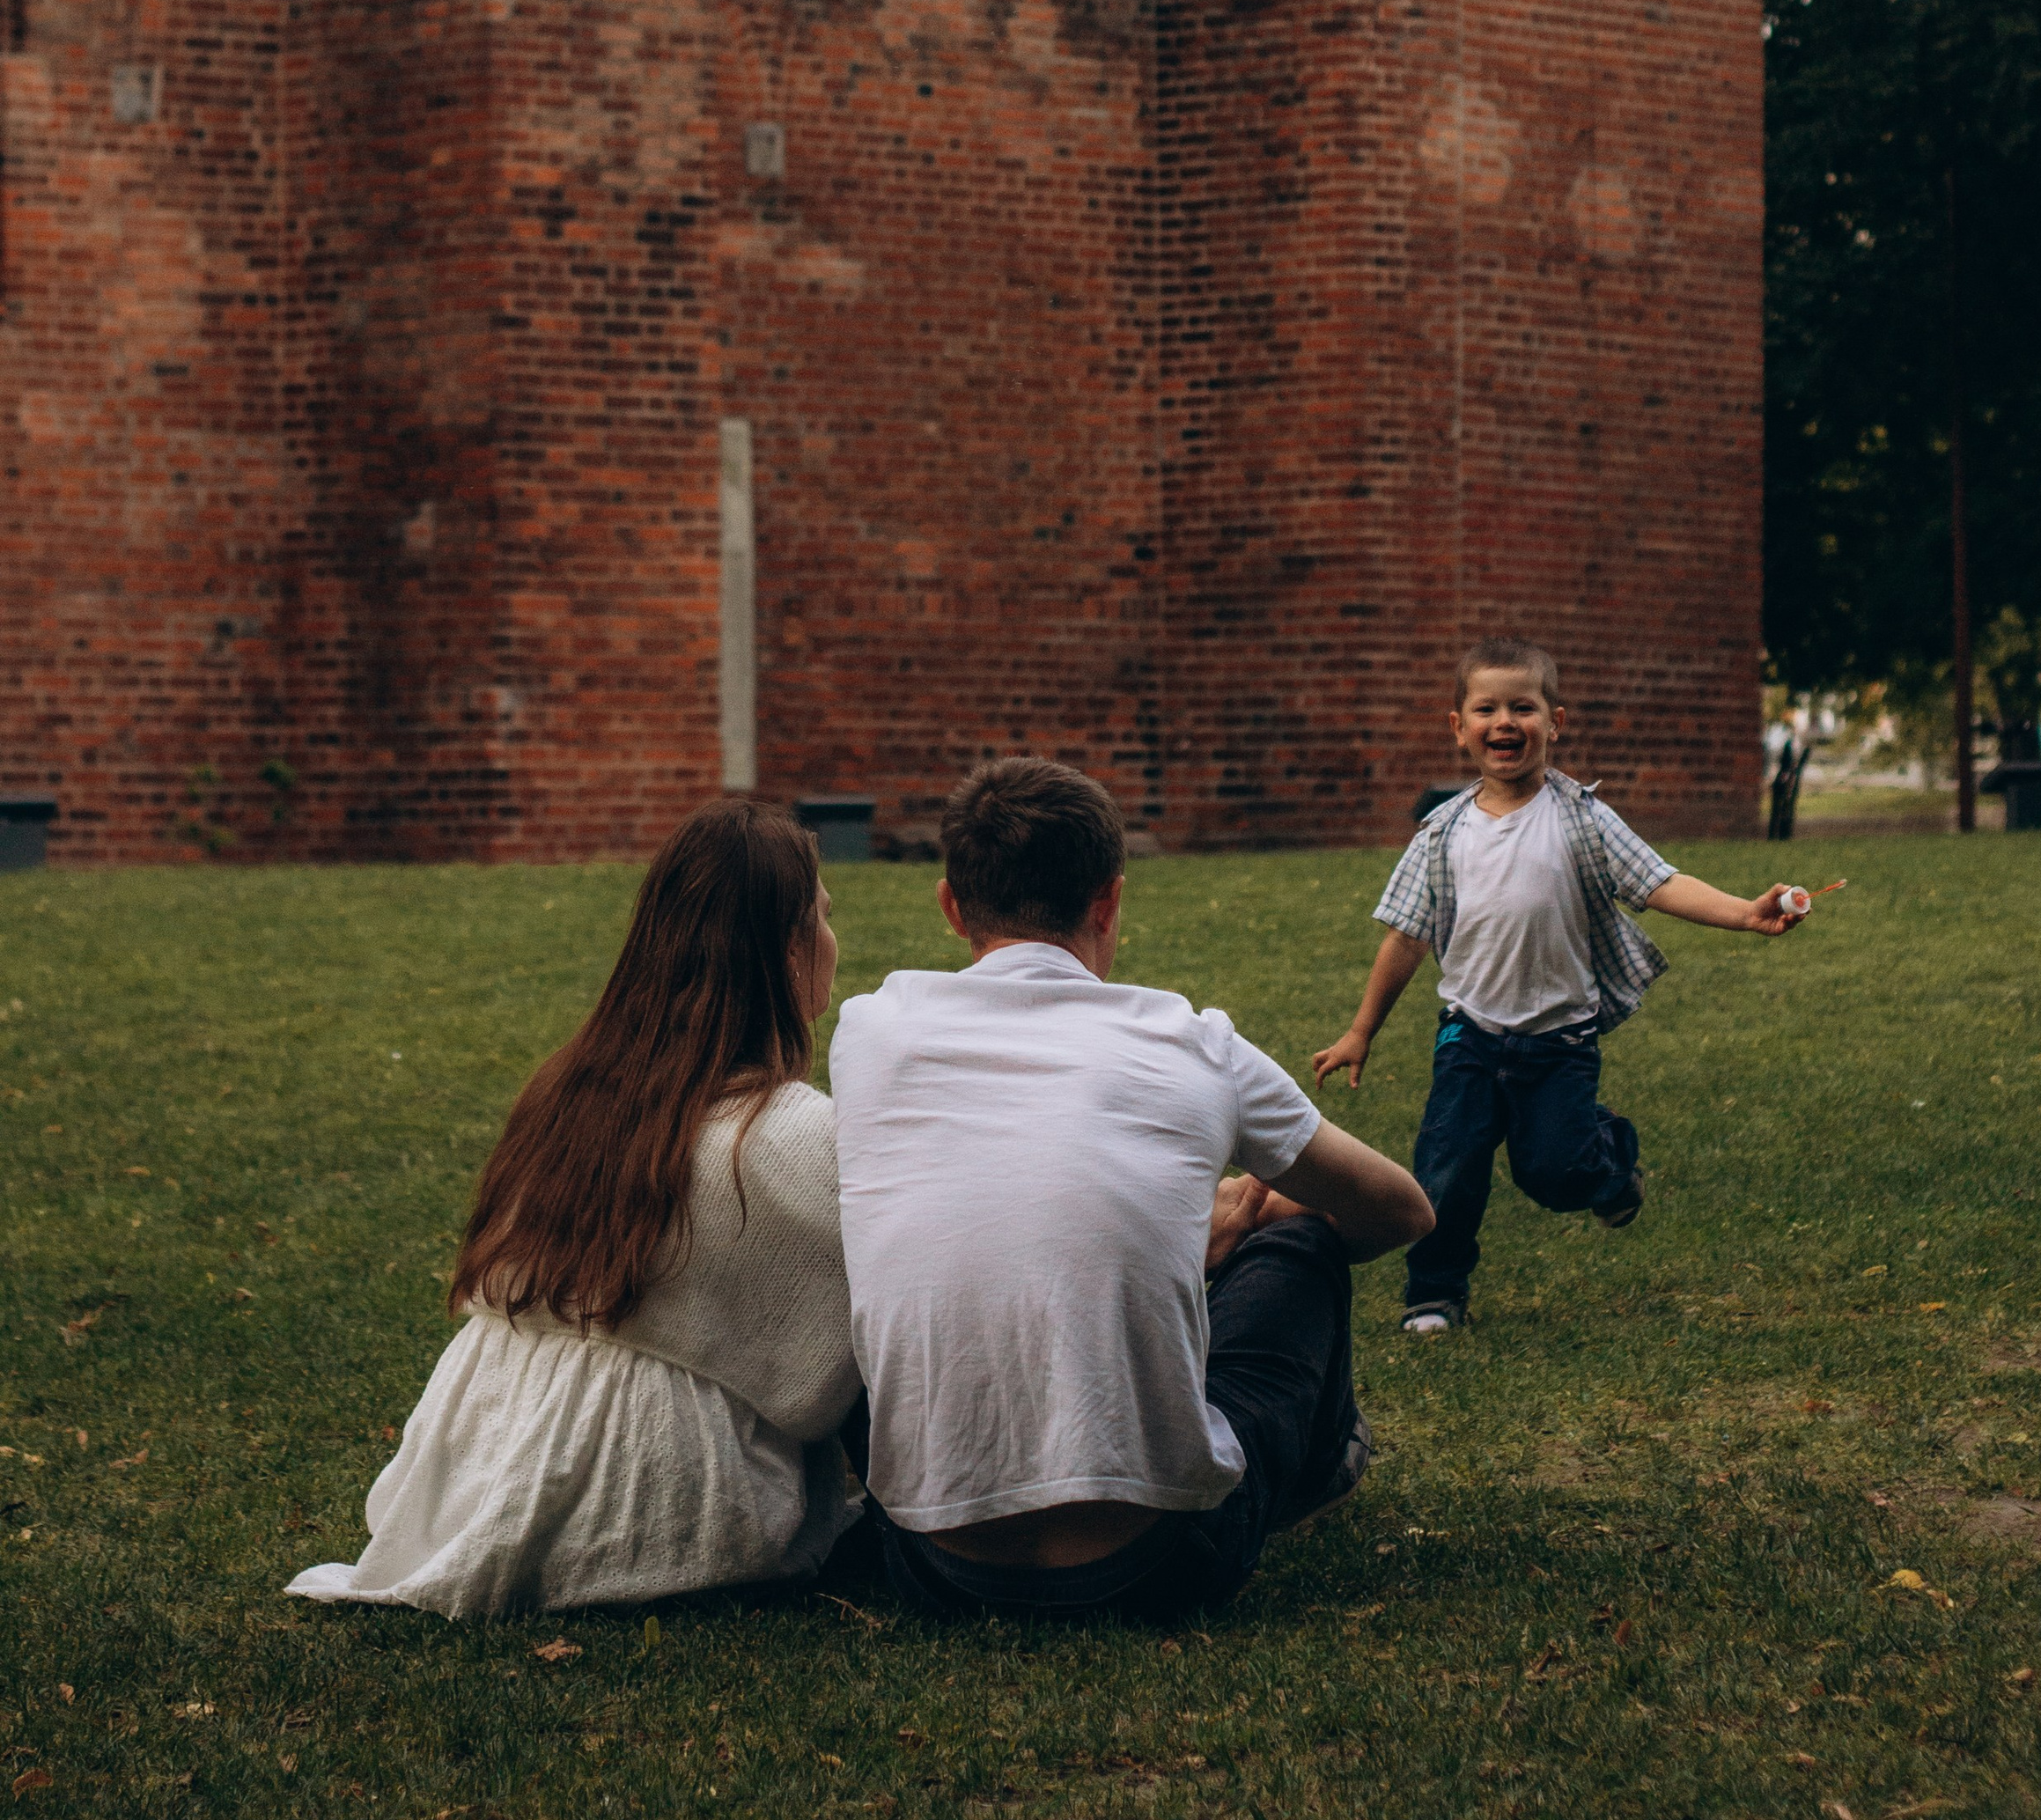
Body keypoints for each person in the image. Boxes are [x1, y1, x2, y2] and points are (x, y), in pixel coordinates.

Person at [829, 755, 1431, 1623]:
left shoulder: (870, 1033)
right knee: (1300, 1242)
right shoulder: (1192, 1044)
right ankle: (1320, 1461)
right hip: (1164, 1565)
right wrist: (1257, 1210)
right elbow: (1401, 1210)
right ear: (1109, 900)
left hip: (930, 1564)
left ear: (951, 906)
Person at [288, 802, 861, 1615]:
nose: (834, 943)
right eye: (825, 918)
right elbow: (847, 1362)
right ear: (787, 946)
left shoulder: (569, 1092)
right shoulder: (789, 1137)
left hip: (479, 1469)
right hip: (657, 1504)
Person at [1312, 640, 1809, 1337]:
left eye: (1524, 707)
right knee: (1445, 1173)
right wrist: (1362, 1030)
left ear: (1556, 722)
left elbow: (1660, 883)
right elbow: (1405, 936)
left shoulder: (1583, 819)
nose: (1504, 721)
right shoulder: (1439, 835)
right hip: (1470, 1036)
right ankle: (1434, 1293)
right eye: (1486, 709)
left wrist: (1745, 913)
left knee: (1553, 1173)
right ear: (1459, 727)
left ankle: (1610, 1162)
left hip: (1559, 1042)